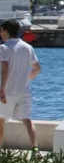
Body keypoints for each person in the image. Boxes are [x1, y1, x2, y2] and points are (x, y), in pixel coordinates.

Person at [0, 19, 42, 149]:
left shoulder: (4, 47)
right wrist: (26, 80)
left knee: (1, 121)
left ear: (6, 31)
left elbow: (5, 68)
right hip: (24, 91)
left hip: (8, 92)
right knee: (27, 121)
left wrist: (2, 89)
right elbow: (37, 69)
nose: (0, 33)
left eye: (1, 31)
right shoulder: (27, 47)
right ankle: (35, 148)